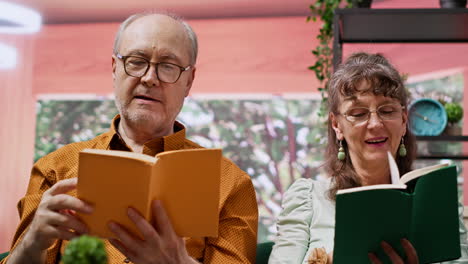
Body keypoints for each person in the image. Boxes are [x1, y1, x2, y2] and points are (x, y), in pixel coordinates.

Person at [3, 12, 258, 264]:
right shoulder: (55, 169)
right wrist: (32, 241)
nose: (149, 78)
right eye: (137, 61)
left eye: (168, 66)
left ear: (189, 81)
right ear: (115, 68)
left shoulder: (231, 185)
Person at [269, 52, 468, 264]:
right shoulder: (307, 199)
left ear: (403, 120)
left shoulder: (437, 203)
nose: (375, 123)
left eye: (387, 110)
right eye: (358, 113)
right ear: (337, 125)